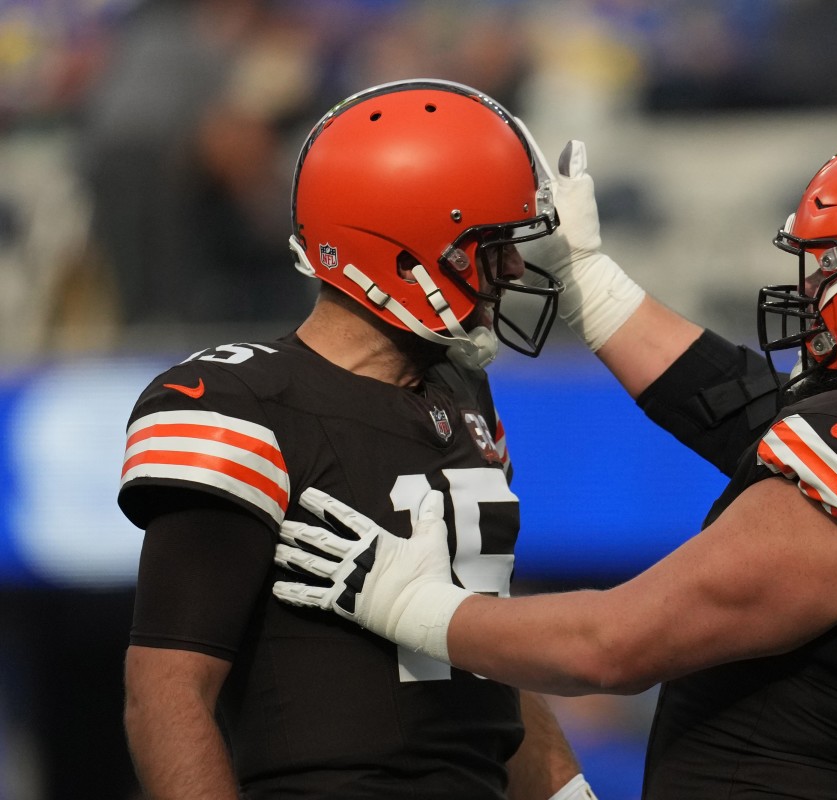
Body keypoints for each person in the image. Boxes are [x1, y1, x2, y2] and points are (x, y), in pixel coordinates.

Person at [270, 128, 837, 799]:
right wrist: (592, 284)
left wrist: (398, 597)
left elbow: (607, 648)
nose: (812, 291)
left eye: (831, 267)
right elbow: (756, 409)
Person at [118, 79, 599, 800]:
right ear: (400, 253)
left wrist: (567, 793)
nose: (512, 270)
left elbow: (486, 649)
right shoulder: (242, 402)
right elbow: (165, 695)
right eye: (488, 246)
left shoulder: (462, 394)